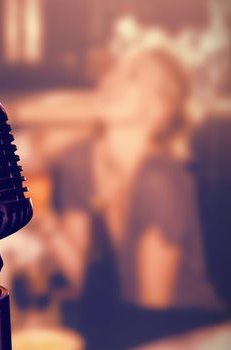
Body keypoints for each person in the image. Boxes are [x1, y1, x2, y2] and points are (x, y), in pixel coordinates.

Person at [50, 47, 229, 349]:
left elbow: (151, 306)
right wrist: (39, 217)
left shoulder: (161, 180)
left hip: (186, 328)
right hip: (119, 323)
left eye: (133, 77)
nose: (111, 81)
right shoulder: (78, 162)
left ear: (160, 108)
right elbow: (84, 279)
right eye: (115, 73)